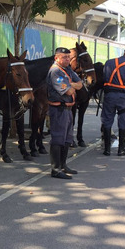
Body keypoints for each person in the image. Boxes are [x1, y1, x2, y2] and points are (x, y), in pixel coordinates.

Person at [46, 47, 83, 179]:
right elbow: (68, 91)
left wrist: (70, 84)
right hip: (58, 109)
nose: (67, 59)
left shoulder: (67, 70)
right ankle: (55, 169)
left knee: (67, 138)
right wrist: (71, 85)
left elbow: (80, 85)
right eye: (64, 57)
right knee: (58, 138)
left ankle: (63, 165)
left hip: (68, 109)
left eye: (69, 57)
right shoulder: (55, 71)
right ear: (56, 58)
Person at [101, 47, 125, 156]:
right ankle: (121, 150)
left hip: (108, 96)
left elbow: (104, 78)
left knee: (107, 120)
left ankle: (107, 149)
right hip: (122, 97)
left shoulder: (108, 62)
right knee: (122, 121)